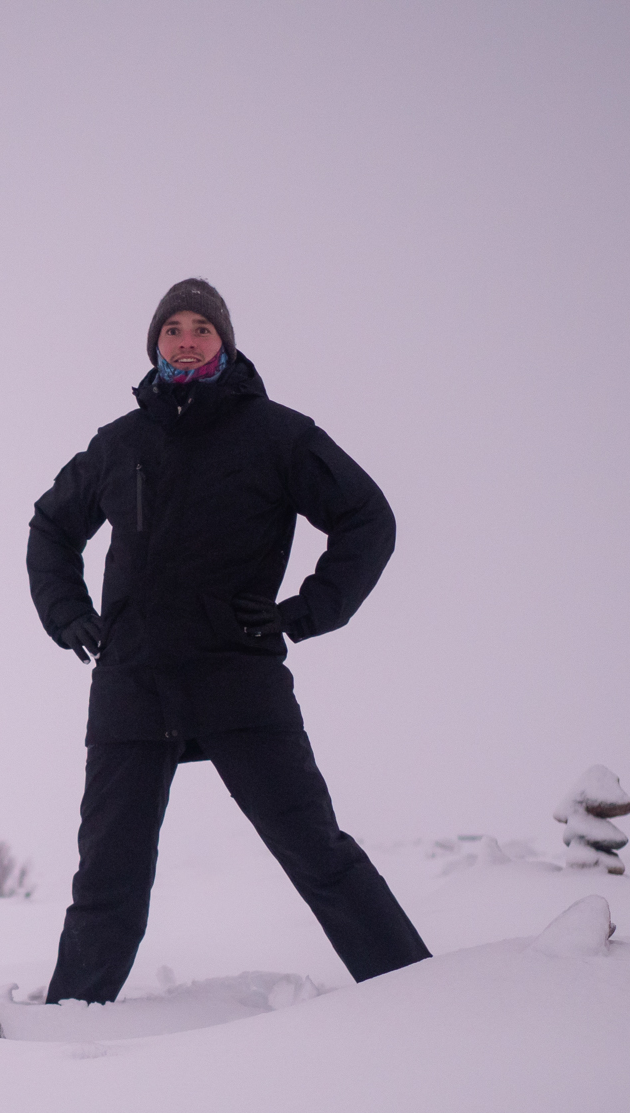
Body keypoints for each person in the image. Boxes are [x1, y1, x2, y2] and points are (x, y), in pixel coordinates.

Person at [27, 277, 431, 1002]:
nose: (187, 339)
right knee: (107, 884)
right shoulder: (119, 444)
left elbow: (368, 519)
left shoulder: (277, 434)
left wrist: (304, 611)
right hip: (132, 687)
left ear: (225, 342)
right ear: (156, 343)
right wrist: (68, 614)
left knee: (319, 856)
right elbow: (51, 528)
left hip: (237, 680)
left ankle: (419, 995)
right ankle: (72, 1024)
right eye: (174, 328)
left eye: (202, 328)